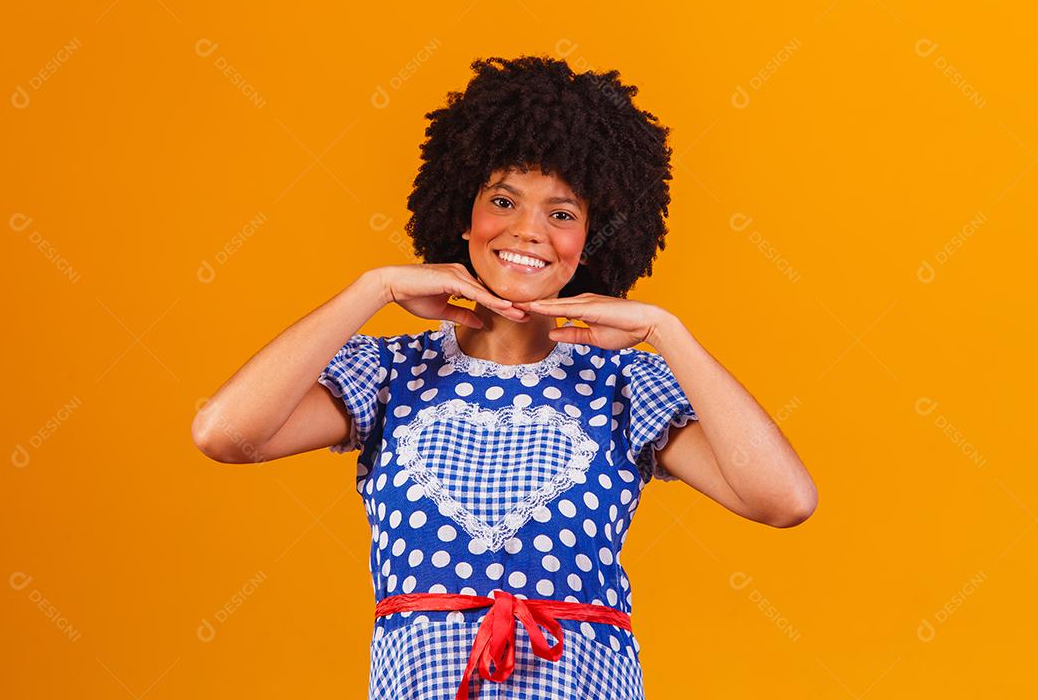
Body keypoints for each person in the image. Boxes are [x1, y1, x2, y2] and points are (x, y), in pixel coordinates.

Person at [192, 55, 817, 699]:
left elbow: (785, 500)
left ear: (592, 240)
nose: (528, 230)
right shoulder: (389, 372)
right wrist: (371, 288)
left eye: (563, 213)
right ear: (462, 216)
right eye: (502, 200)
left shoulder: (624, 383)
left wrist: (667, 330)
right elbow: (225, 433)